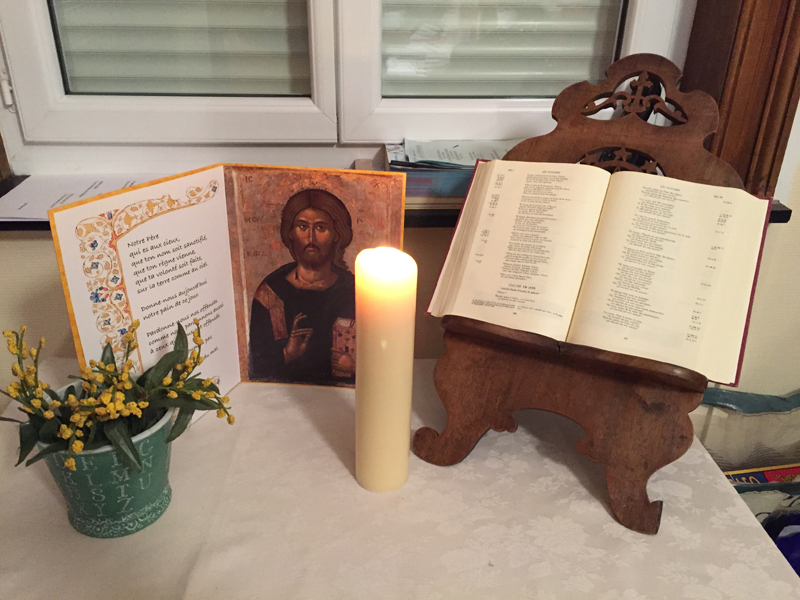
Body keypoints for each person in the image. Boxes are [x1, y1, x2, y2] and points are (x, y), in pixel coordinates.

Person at [248, 189, 356, 385]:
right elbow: (258, 366)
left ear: (337, 234)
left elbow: (380, 353)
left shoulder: (354, 291)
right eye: (302, 227)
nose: (310, 238)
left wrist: (354, 367)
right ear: (290, 232)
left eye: (321, 228)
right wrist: (287, 354)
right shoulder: (272, 293)